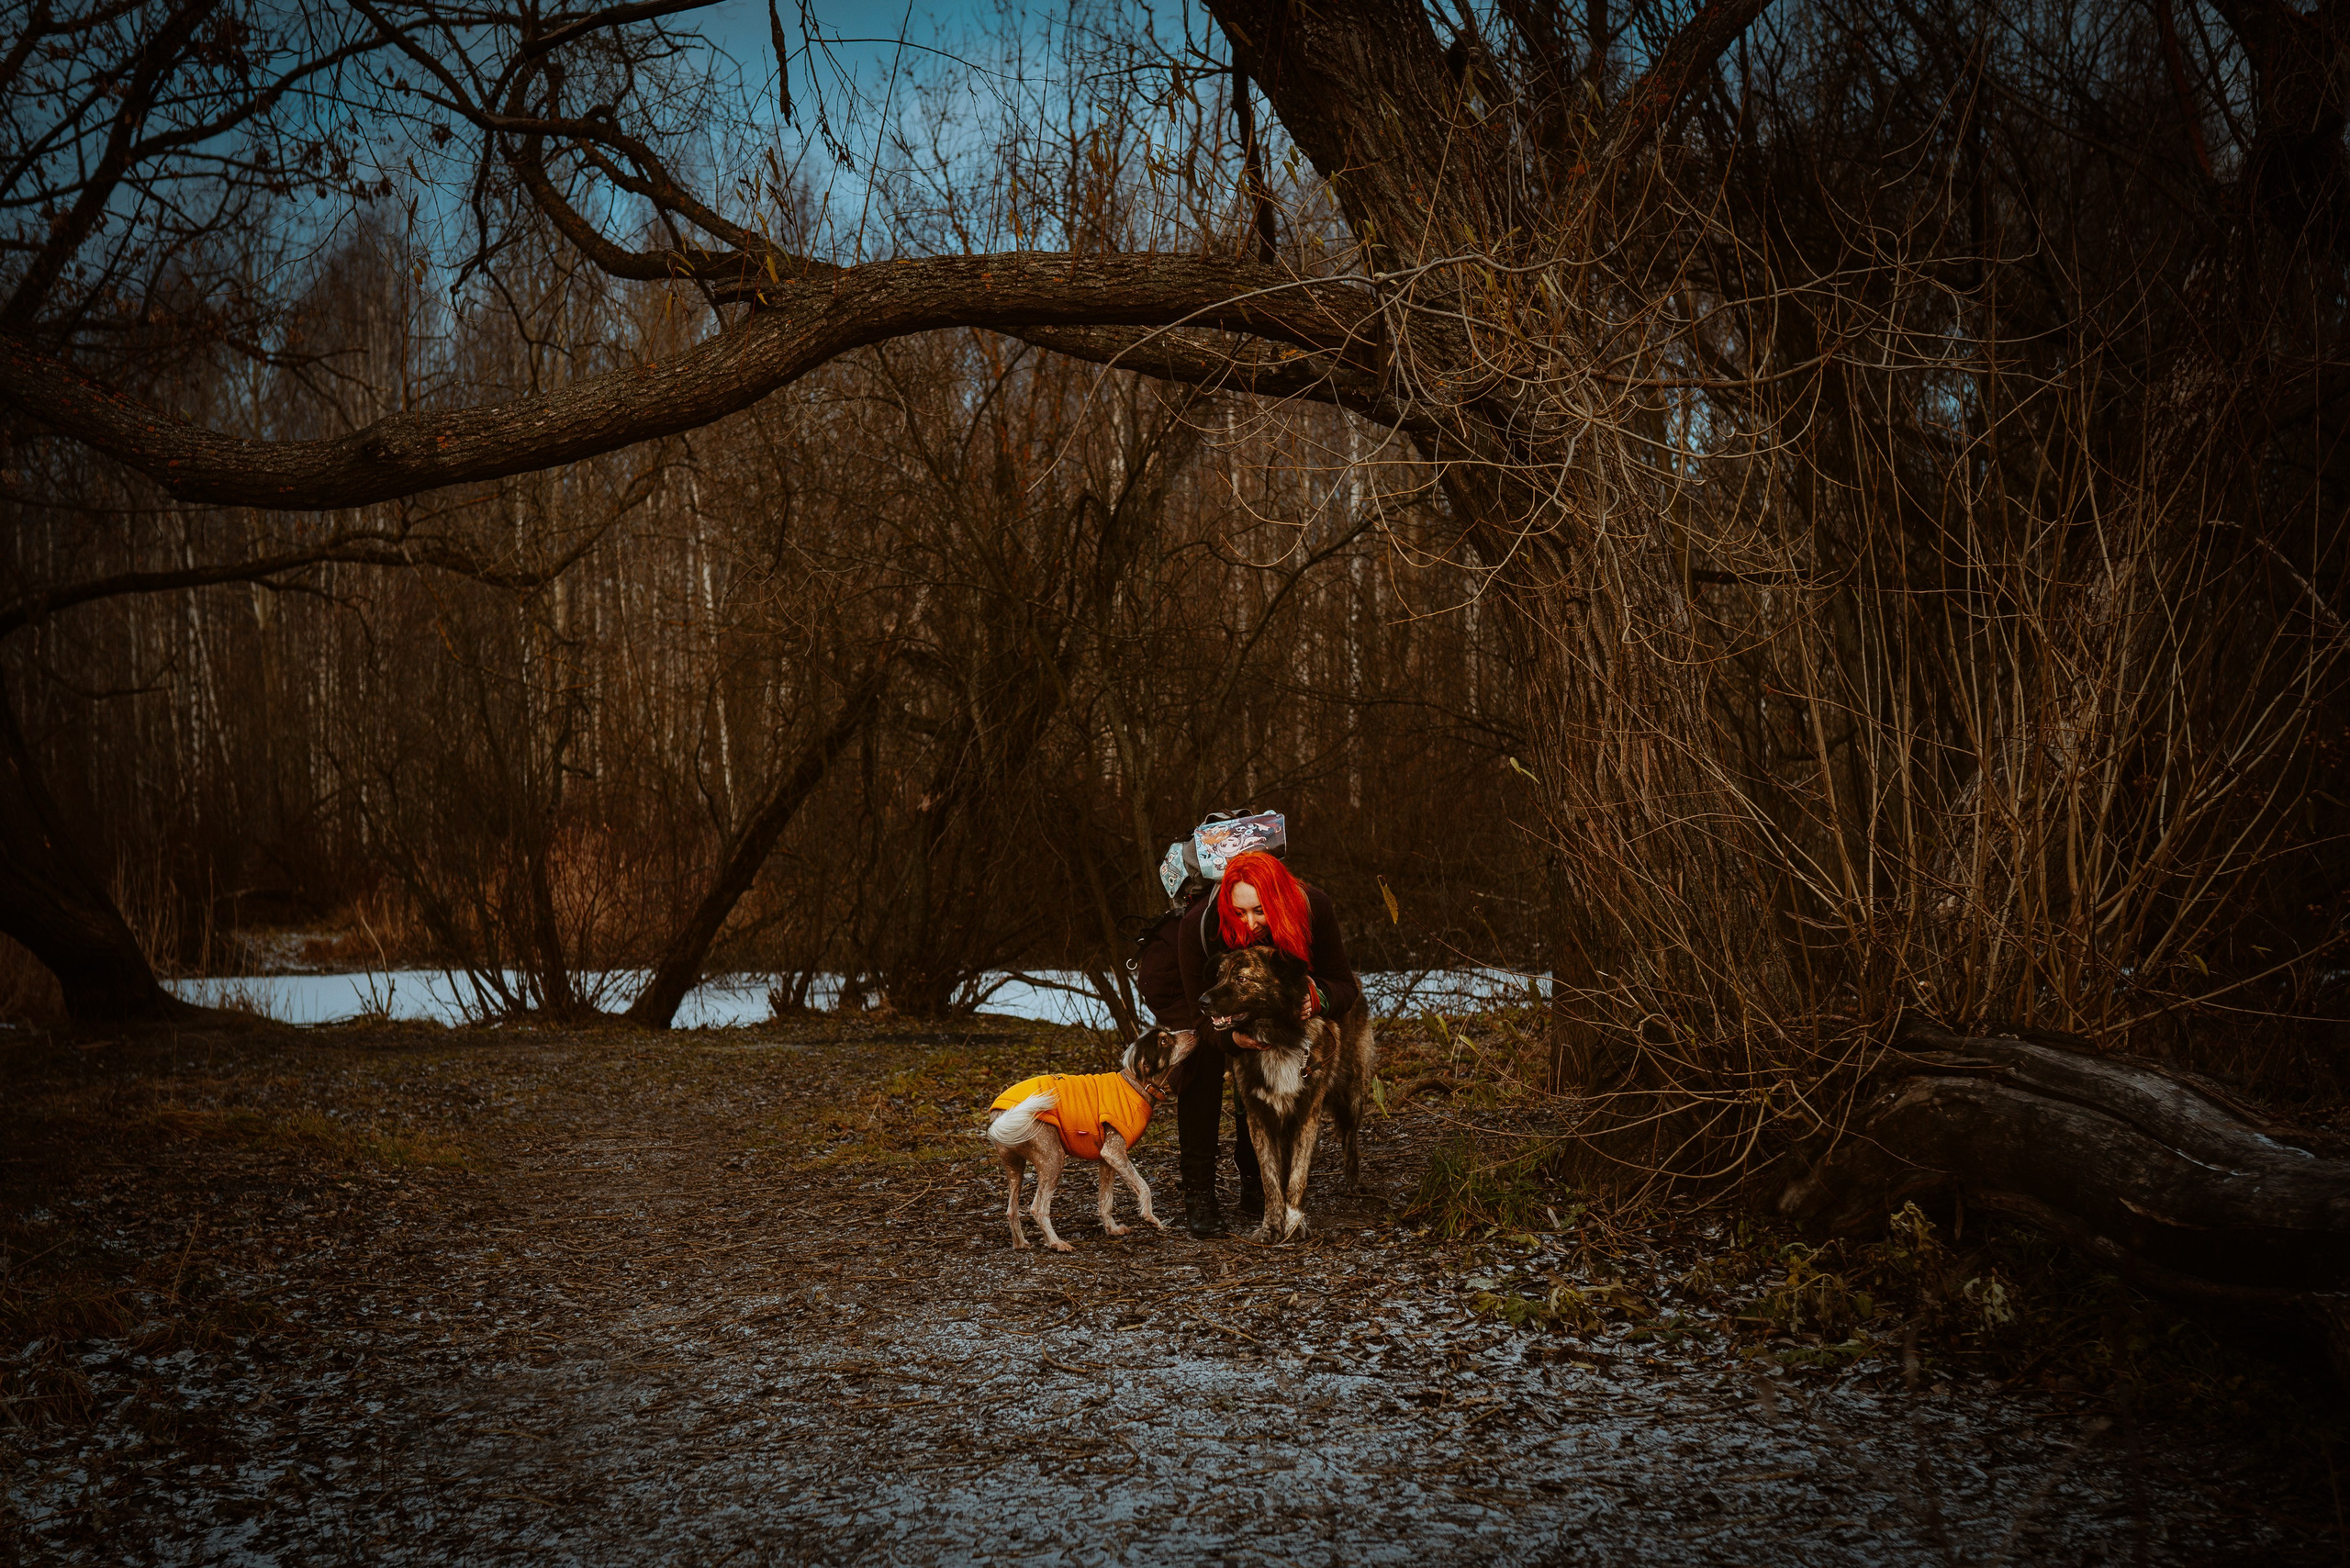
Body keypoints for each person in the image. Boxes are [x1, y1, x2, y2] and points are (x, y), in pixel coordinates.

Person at [1158, 849, 1361, 1238]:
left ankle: (1254, 1180)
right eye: (1239, 913)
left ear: (1279, 902)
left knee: (1265, 1052)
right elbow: (1200, 1017)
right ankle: (1199, 1191)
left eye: (1259, 912)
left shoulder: (1313, 906)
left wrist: (1318, 997)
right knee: (1200, 1061)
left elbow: (1344, 984)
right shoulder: (1196, 927)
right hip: (1190, 992)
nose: (1249, 923)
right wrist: (1230, 1037)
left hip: (1263, 989)